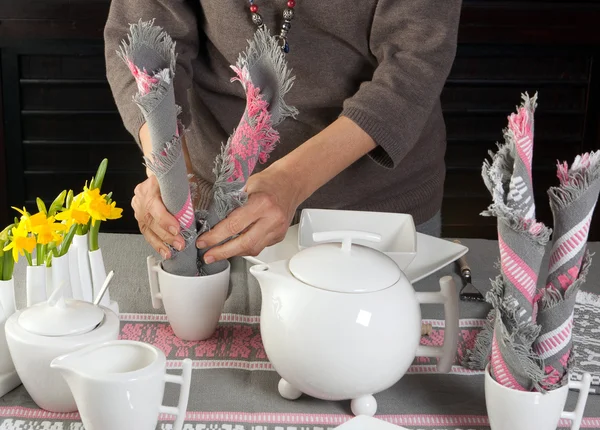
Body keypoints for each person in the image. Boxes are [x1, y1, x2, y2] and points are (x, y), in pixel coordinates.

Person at [104, 0, 462, 264]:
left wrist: (290, 180)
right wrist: (168, 173)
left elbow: (414, 64)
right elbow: (144, 34)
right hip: (219, 205)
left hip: (374, 212)